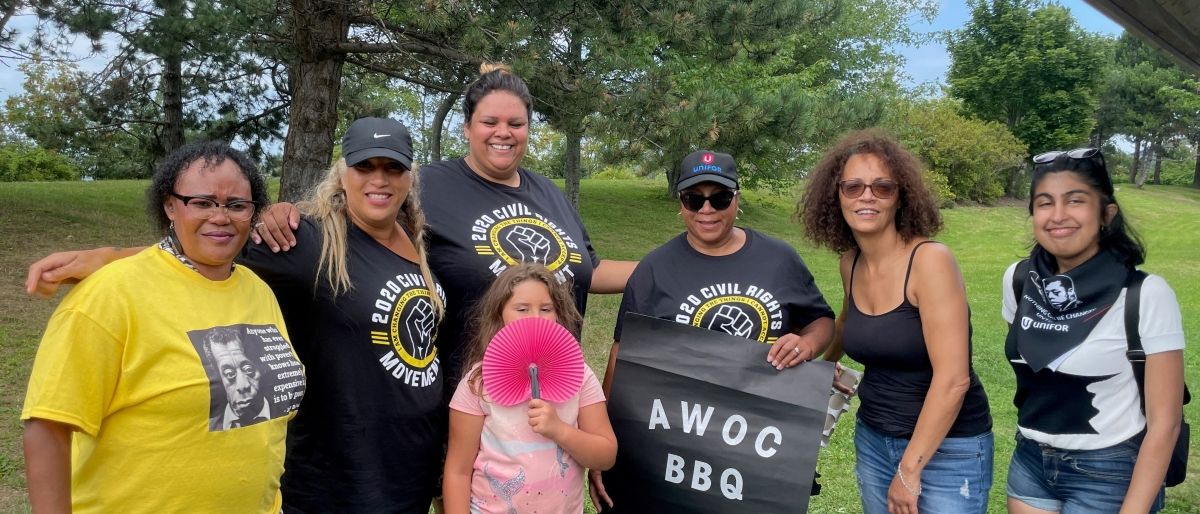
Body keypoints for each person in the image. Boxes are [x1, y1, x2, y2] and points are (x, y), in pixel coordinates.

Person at [24, 118, 447, 513]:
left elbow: (224, 243)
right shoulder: (310, 242)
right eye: (364, 166)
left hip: (402, 469)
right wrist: (108, 258)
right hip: (341, 478)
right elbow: (212, 241)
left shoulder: (416, 242)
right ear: (342, 175)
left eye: (393, 168)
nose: (379, 178)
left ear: (410, 177)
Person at [251, 63, 636, 392]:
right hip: (471, 399)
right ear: (467, 127)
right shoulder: (431, 185)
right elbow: (363, 217)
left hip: (553, 389)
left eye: (515, 123)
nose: (503, 132)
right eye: (490, 122)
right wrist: (285, 213)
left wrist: (665, 269)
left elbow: (588, 269)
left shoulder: (548, 193)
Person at [21, 141, 304, 513]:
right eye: (201, 202)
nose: (221, 217)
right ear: (170, 205)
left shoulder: (258, 291)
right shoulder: (112, 293)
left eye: (236, 205)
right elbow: (48, 427)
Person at [591, 150, 836, 509]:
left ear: (736, 199)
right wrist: (605, 434)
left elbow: (821, 320)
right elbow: (622, 354)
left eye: (719, 198)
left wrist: (808, 343)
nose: (707, 210)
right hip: (678, 441)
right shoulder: (655, 269)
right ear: (681, 203)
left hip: (757, 439)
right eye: (695, 199)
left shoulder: (779, 259)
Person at [799, 129, 993, 514]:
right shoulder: (850, 263)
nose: (866, 196)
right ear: (835, 196)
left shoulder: (930, 262)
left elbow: (954, 380)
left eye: (881, 187)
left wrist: (908, 471)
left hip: (948, 449)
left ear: (900, 195)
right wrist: (819, 369)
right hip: (873, 437)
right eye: (852, 187)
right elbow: (847, 319)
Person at [1002, 148, 1184, 514]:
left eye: (1076, 201)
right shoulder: (1019, 281)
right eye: (1044, 203)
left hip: (1110, 469)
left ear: (1106, 214)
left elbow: (1165, 424)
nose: (1058, 216)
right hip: (1030, 461)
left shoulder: (1145, 294)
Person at [443, 263, 617, 514]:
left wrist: (560, 430)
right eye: (521, 309)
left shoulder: (579, 376)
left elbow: (605, 455)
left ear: (558, 314)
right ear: (498, 314)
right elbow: (458, 471)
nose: (535, 318)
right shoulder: (478, 384)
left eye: (546, 309)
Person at [203, 327, 270, 430]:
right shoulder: (209, 428)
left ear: (262, 368)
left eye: (249, 370)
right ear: (219, 377)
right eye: (229, 374)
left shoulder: (287, 411)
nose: (242, 386)